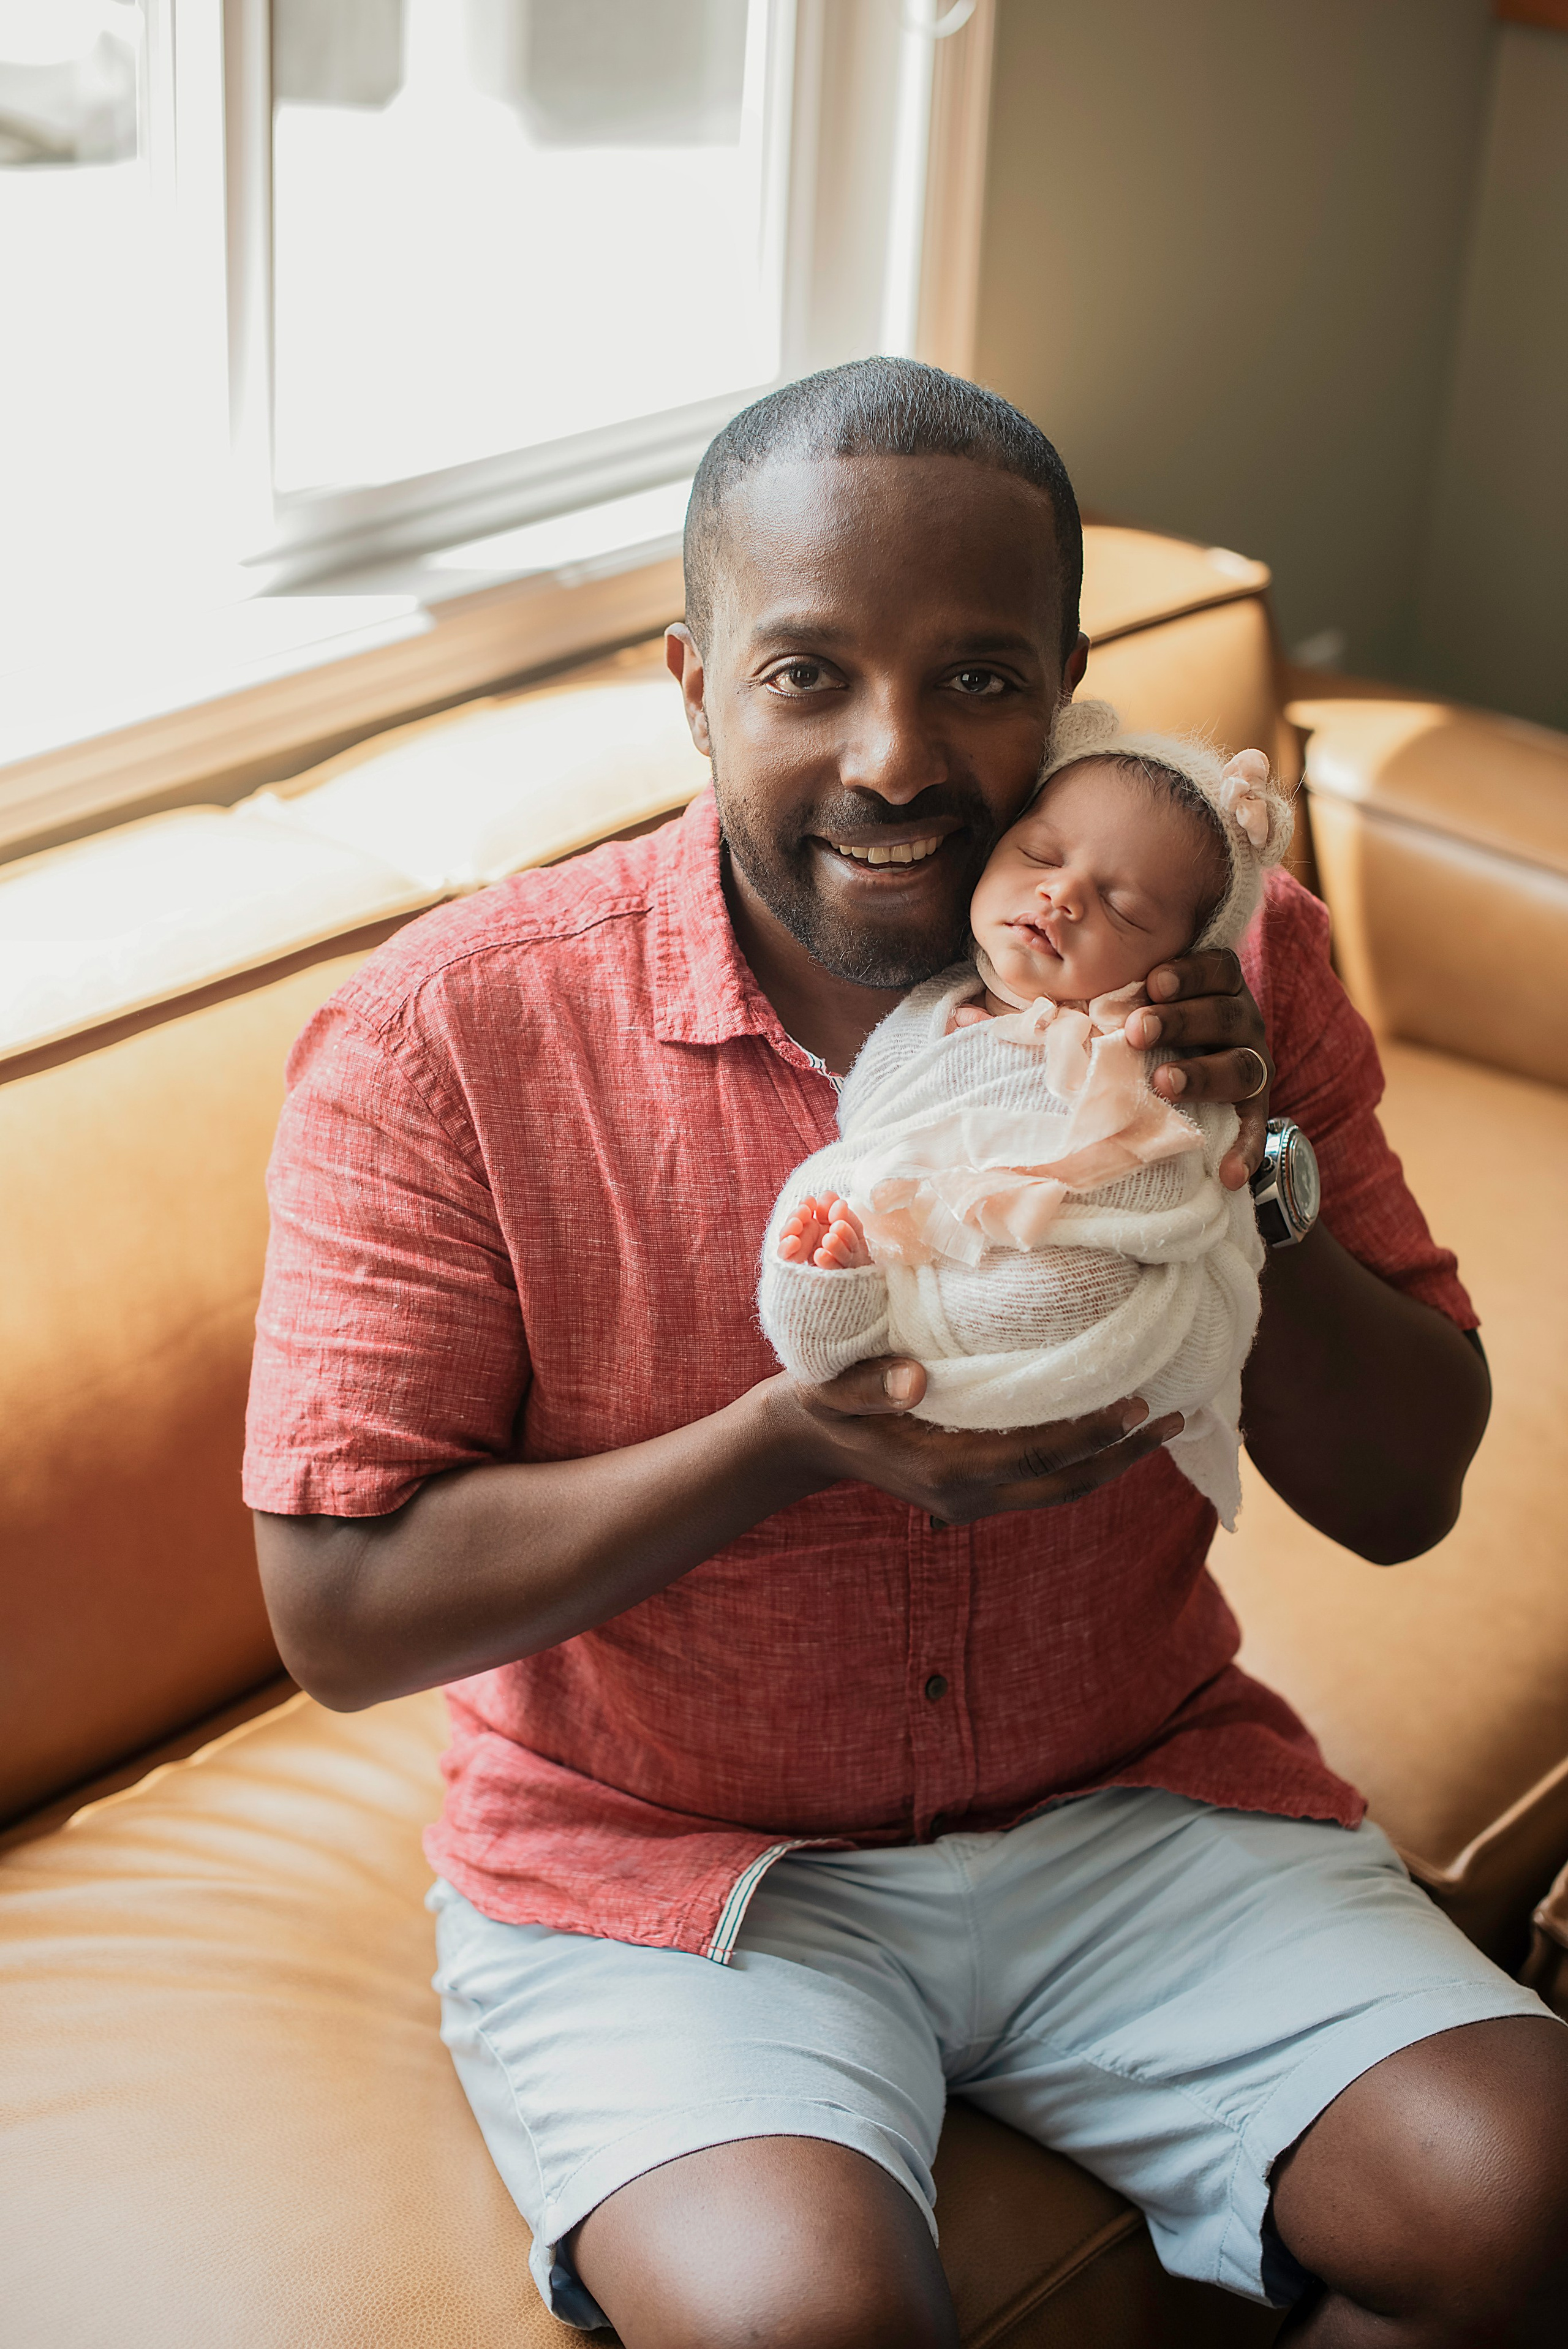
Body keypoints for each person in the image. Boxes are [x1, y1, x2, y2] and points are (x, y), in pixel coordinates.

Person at [245, 358, 1568, 2348]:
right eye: (806, 676)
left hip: (1135, 1794)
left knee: (1527, 2192)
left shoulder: (1226, 948)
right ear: (691, 685)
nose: (893, 762)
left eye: (976, 677)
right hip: (669, 1876)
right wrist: (787, 1445)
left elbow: (1405, 1494)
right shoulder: (452, 1035)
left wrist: (1245, 1169)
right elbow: (339, 1611)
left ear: (1069, 679)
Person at [758, 704, 1295, 1528]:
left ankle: (909, 1329)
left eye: (1123, 909)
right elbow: (873, 1120)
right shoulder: (935, 1008)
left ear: (1179, 967)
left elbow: (1177, 1186)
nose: (1063, 894)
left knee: (1101, 1298)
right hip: (919, 1245)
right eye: (1040, 854)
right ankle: (837, 1295)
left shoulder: (1158, 1047)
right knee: (820, 1195)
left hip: (1083, 1269)